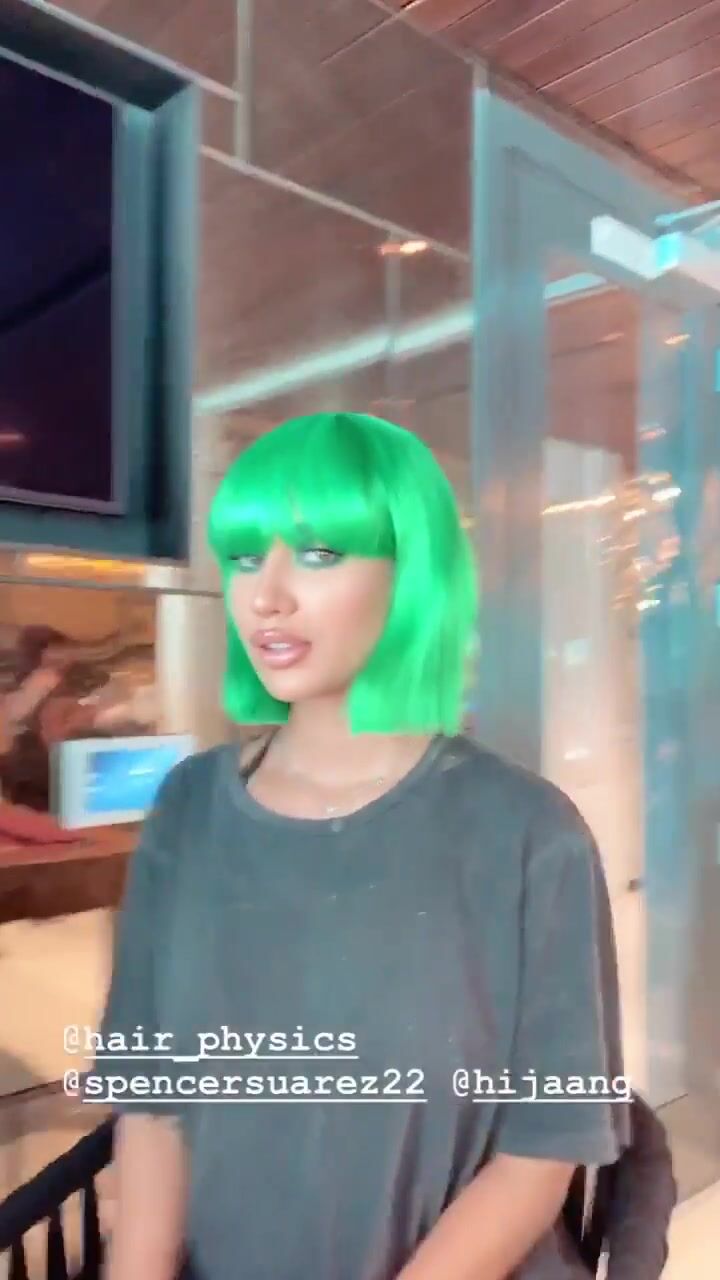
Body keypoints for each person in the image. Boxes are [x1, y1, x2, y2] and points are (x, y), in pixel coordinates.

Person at [95, 411, 632, 1280]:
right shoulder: (187, 810)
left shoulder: (531, 834)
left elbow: (544, 1147)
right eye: (244, 557)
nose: (266, 595)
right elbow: (153, 1101)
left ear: (409, 573)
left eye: (318, 554)